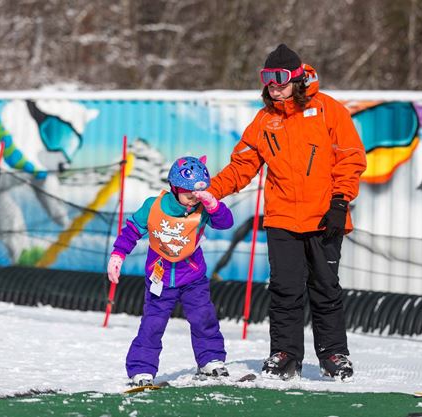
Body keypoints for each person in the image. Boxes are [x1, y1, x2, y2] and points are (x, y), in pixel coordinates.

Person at [207, 44, 366, 381]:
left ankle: (334, 354)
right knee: (284, 290)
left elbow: (351, 158)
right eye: (267, 79)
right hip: (282, 219)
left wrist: (341, 202)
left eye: (280, 78)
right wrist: (210, 192)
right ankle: (284, 355)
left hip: (325, 216)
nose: (273, 85)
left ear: (296, 79)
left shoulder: (328, 110)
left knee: (325, 288)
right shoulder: (265, 121)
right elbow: (240, 167)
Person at [107, 155, 234, 387]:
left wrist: (213, 205)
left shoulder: (202, 208)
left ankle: (211, 359)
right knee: (152, 324)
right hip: (160, 278)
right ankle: (142, 369)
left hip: (193, 278)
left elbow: (226, 222)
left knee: (203, 318)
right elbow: (131, 231)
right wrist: (118, 255)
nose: (192, 201)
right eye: (188, 195)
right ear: (175, 188)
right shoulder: (153, 206)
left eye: (197, 195)